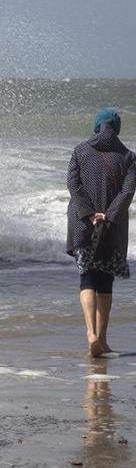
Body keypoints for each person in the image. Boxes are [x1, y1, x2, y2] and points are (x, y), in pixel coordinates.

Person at [67, 108, 136, 357]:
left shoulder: (80, 151)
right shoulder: (128, 156)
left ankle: (90, 335)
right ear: (116, 128)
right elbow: (127, 193)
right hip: (112, 228)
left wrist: (89, 214)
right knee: (105, 284)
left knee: (87, 279)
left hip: (82, 225)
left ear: (97, 127)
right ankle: (103, 340)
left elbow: (73, 187)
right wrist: (108, 215)